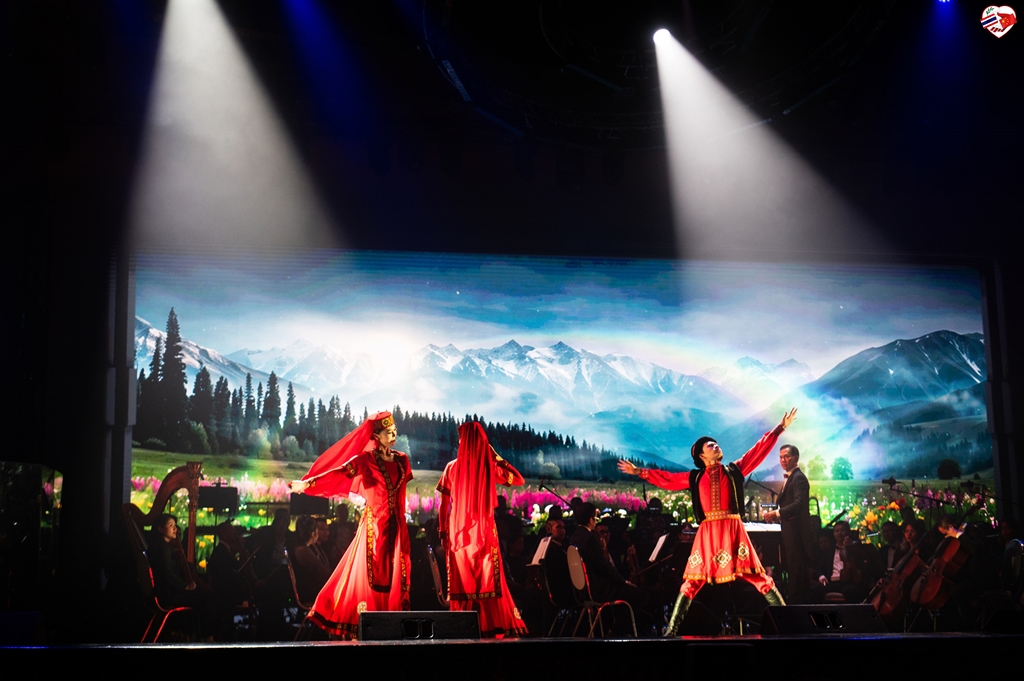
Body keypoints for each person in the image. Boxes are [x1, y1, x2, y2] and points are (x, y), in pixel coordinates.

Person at [618, 407, 797, 636]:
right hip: (708, 535)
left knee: (758, 577)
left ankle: (788, 623)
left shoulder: (734, 470)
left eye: (716, 443)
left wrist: (779, 428)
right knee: (691, 582)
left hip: (732, 531)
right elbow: (668, 479)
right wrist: (640, 472)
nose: (716, 445)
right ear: (702, 457)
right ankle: (671, 631)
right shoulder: (695, 477)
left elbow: (758, 451)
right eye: (710, 445)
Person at [290, 411, 413, 639]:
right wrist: (308, 484)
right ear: (376, 435)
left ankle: (395, 630)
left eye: (395, 430)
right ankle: (372, 630)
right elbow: (339, 473)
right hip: (374, 529)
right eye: (388, 431)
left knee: (399, 577)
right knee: (374, 578)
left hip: (398, 530)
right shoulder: (366, 460)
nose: (394, 434)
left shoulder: (402, 460)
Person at [437, 421, 528, 638]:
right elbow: (518, 480)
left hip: (459, 534)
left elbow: (443, 504)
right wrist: (496, 457)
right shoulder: (487, 467)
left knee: (464, 580)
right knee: (486, 579)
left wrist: (443, 533)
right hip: (483, 534)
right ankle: (490, 626)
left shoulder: (452, 467)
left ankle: (462, 628)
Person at [763, 444, 813, 603]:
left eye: (787, 456)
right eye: (781, 457)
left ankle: (798, 607)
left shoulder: (799, 478)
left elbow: (799, 504)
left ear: (796, 458)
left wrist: (778, 513)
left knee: (797, 570)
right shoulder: (792, 477)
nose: (783, 460)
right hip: (788, 530)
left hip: (796, 533)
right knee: (792, 569)